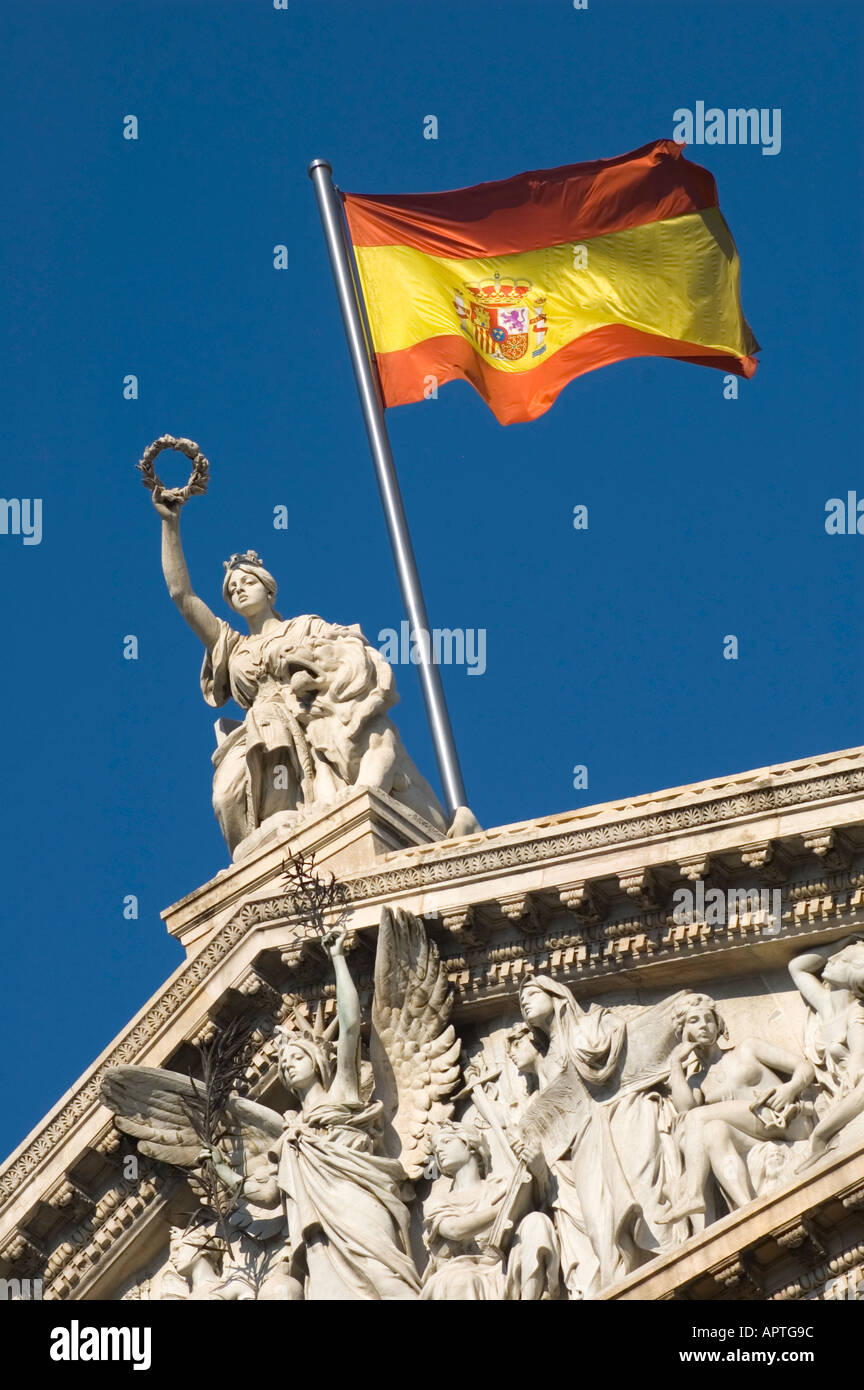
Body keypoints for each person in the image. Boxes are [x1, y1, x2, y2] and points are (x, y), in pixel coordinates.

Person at [150, 484, 447, 856]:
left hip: (307, 719)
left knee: (298, 806)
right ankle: (257, 856)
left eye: (247, 582)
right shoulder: (231, 645)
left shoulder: (305, 627)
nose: (239, 590)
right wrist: (170, 526)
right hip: (258, 727)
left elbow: (351, 654)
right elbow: (182, 595)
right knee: (226, 797)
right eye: (231, 589)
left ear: (269, 589)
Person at [261, 927, 421, 1300]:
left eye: (297, 1057)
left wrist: (337, 959)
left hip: (359, 1199)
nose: (290, 1066)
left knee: (388, 1280)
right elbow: (269, 1193)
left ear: (318, 1061)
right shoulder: (289, 1133)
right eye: (284, 1064)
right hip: (318, 1227)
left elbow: (349, 1023)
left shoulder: (342, 1092)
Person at [657, 993, 813, 1225]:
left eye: (708, 1019)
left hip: (787, 1119)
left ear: (718, 1023)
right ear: (683, 1032)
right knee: (714, 1131)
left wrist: (790, 1088)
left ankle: (694, 1194)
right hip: (756, 1134)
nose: (704, 1026)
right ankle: (747, 1208)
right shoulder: (697, 1082)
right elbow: (685, 1110)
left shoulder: (747, 1049)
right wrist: (675, 1066)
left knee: (698, 1118)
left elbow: (803, 1066)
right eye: (694, 1021)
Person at [420, 1120, 559, 1300]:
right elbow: (455, 1229)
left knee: (536, 1221)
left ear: (471, 1145)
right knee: (461, 1280)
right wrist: (504, 1208)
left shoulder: (500, 1188)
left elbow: (542, 1204)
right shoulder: (437, 1200)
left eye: (446, 1142)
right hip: (459, 1272)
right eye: (436, 1148)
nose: (439, 1151)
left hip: (503, 1271)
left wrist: (538, 1169)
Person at [790, 938, 864, 1167]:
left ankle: (821, 1138)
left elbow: (858, 1069)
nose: (830, 959)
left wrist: (822, 1131)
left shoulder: (857, 1017)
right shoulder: (825, 1006)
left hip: (851, 1093)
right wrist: (842, 941)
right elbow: (796, 967)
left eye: (841, 960)